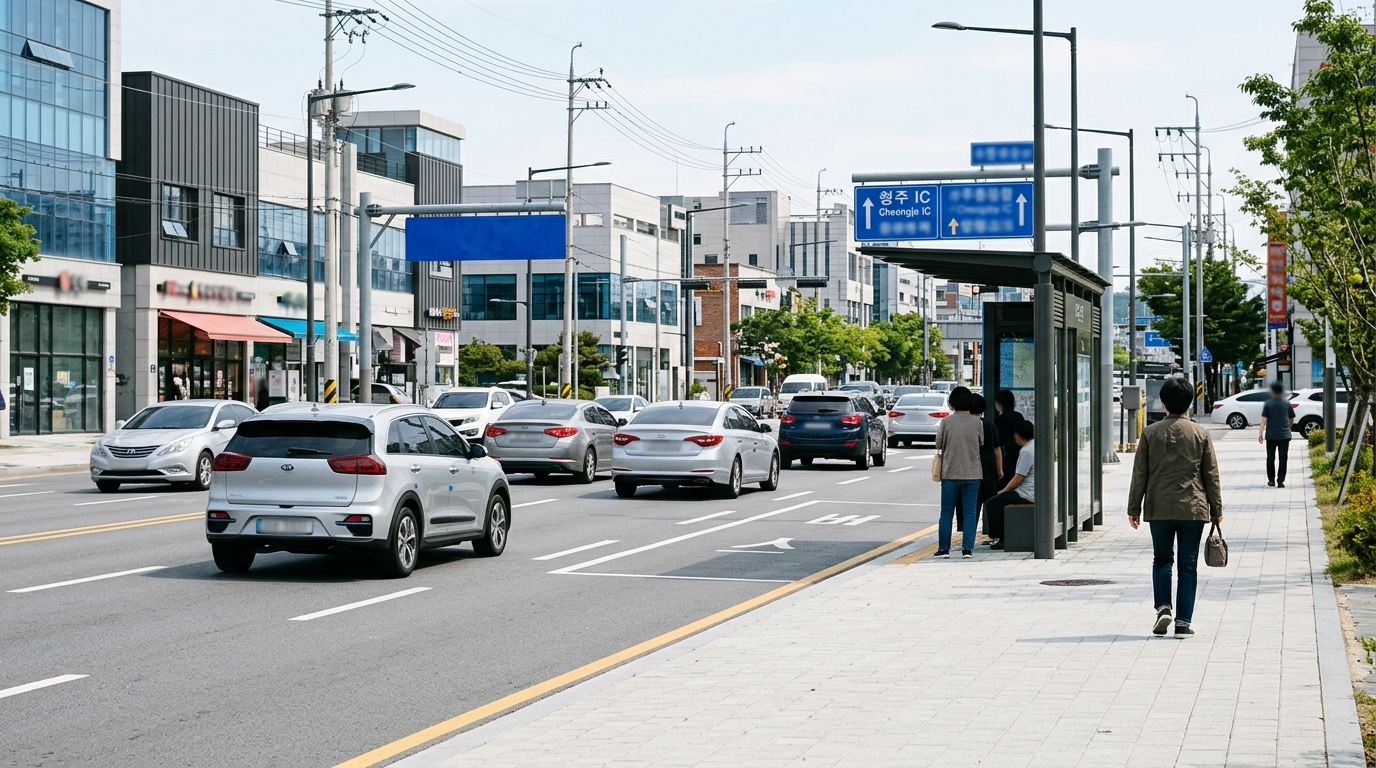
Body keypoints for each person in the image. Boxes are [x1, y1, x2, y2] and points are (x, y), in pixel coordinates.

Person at [1128, 377, 1223, 638]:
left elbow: (1140, 474)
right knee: (1188, 565)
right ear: (1190, 403)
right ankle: (1183, 623)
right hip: (1193, 508)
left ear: (1163, 403)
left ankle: (1163, 608)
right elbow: (1210, 474)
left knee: (1161, 559)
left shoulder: (1149, 433)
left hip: (1159, 507)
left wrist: (1133, 507)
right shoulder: (1201, 433)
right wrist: (1216, 508)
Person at [934, 385, 984, 559]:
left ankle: (944, 549)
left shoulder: (946, 422)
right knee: (970, 512)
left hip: (950, 473)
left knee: (946, 512)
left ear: (952, 403)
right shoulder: (977, 422)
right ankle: (967, 549)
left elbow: (938, 444)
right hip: (973, 473)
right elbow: (981, 442)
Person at [982, 420, 1035, 550]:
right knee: (999, 500)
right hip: (1035, 491)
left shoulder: (1027, 451)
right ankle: (1000, 537)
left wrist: (1004, 491)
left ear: (1017, 435)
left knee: (992, 503)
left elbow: (1019, 477)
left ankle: (1000, 538)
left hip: (1027, 493)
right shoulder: (1036, 446)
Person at [961, 393, 1002, 535]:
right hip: (988, 470)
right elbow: (997, 450)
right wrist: (999, 470)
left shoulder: (964, 426)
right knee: (990, 503)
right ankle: (994, 534)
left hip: (970, 471)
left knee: (971, 507)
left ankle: (968, 535)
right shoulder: (989, 425)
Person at [1258, 381, 1294, 488]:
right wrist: (1288, 428)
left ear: (1273, 391)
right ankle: (1281, 481)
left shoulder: (1268, 404)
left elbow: (1264, 420)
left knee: (1270, 458)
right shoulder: (1287, 403)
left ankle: (1271, 480)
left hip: (1271, 435)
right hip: (1284, 435)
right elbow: (1291, 419)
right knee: (1283, 458)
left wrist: (1260, 433)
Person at [994, 390, 1024, 486]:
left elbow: (997, 441)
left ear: (999, 403)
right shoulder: (1019, 416)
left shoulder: (999, 420)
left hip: (1005, 457)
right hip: (1019, 456)